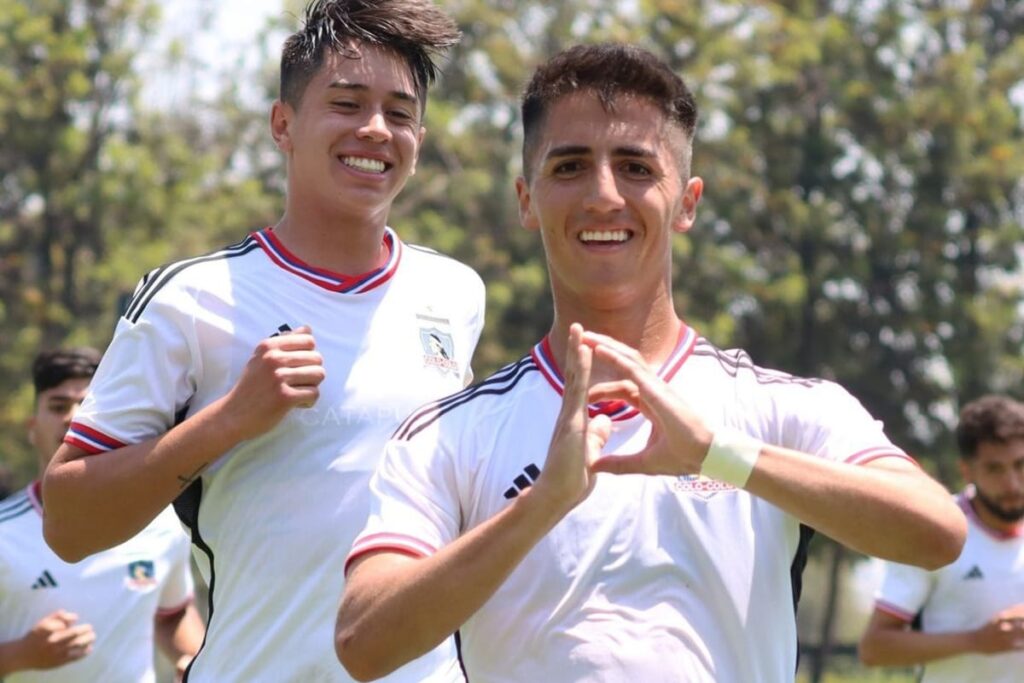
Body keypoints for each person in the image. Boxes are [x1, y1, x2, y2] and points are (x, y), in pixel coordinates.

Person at [334, 43, 967, 682]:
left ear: (687, 201)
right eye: (571, 167)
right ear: (527, 200)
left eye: (636, 167)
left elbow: (936, 532)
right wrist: (541, 503)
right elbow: (363, 641)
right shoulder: (450, 434)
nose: (604, 196)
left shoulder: (776, 407)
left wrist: (719, 455)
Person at [41, 1, 484, 681]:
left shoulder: (454, 294)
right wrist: (229, 419)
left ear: (418, 141)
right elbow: (67, 522)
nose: (375, 129)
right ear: (284, 124)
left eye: (400, 113)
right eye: (346, 103)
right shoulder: (192, 298)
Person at [0, 348, 204, 682]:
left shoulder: (162, 523)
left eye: (88, 403)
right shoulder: (4, 533)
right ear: (32, 428)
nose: (73, 416)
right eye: (58, 406)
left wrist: (193, 661)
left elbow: (171, 614)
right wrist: (22, 654)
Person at [859, 394, 1024, 681]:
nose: (1011, 483)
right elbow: (875, 648)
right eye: (994, 468)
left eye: (1021, 465)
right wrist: (976, 641)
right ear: (967, 470)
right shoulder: (933, 528)